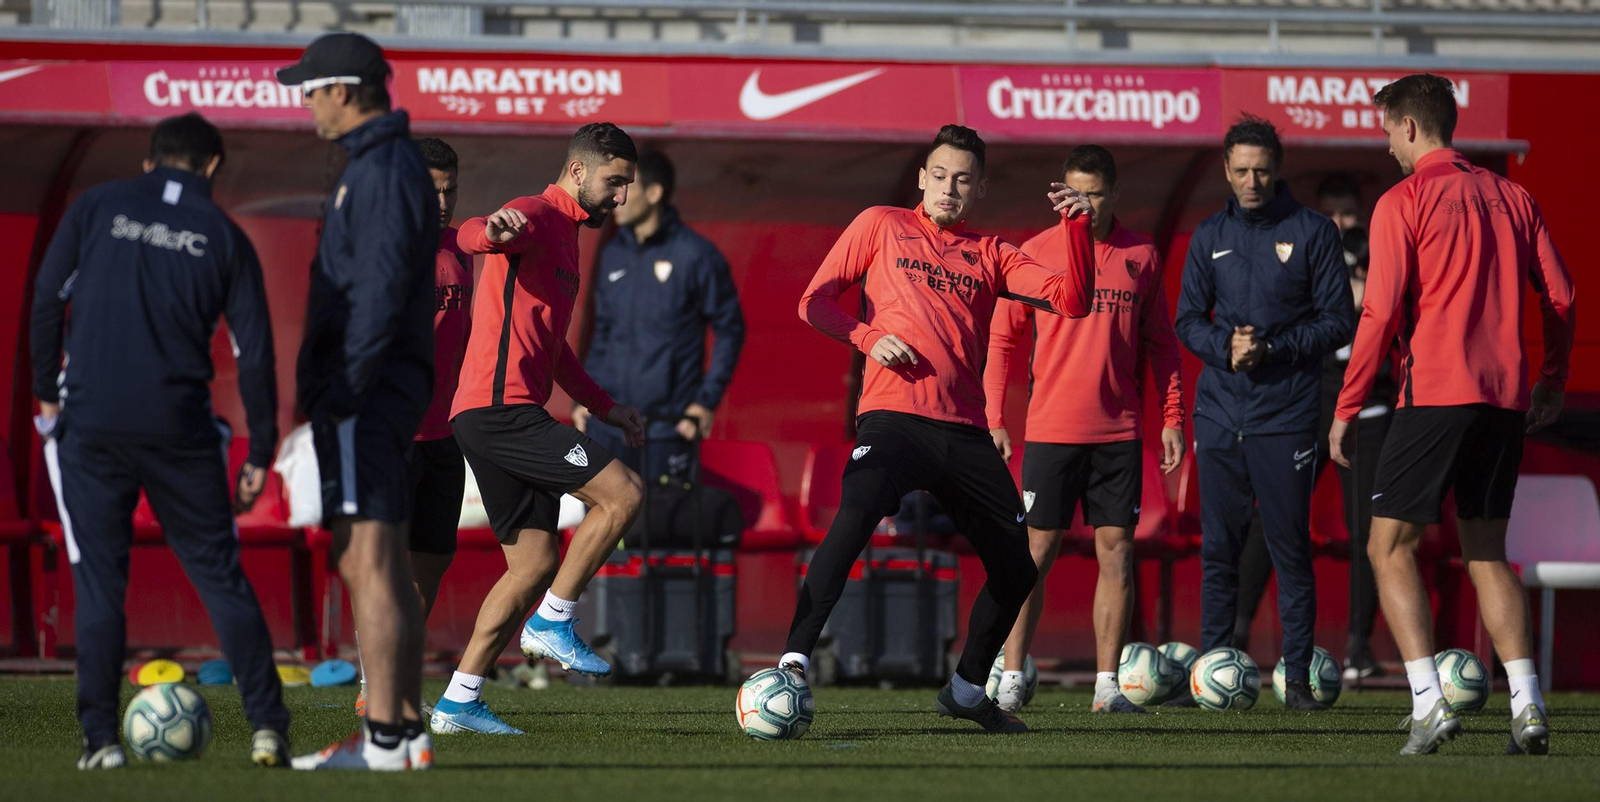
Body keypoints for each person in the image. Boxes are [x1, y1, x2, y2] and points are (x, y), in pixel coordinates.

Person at [781, 124, 1096, 734]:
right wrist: (871, 338)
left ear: (978, 189)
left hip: (962, 431)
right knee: (852, 520)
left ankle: (967, 687)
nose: (950, 188)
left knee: (1016, 566)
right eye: (941, 175)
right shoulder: (880, 223)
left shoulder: (992, 252)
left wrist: (1077, 230)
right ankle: (793, 661)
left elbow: (1072, 300)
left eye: (964, 180)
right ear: (921, 178)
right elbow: (814, 302)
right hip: (894, 419)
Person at [30, 112, 291, 769]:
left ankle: (101, 742)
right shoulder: (225, 236)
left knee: (99, 581)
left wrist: (46, 391)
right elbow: (254, 354)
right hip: (179, 428)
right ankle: (267, 728)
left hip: (90, 425)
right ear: (211, 169)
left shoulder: (95, 206)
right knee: (219, 576)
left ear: (149, 163)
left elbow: (43, 300)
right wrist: (261, 450)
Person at [1330, 73, 1574, 756]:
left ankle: (1428, 704)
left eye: (1387, 132)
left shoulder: (1402, 200)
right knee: (1489, 554)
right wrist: (1552, 379)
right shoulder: (1512, 196)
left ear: (1409, 126)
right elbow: (1562, 296)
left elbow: (1377, 314)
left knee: (1388, 546)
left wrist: (1347, 406)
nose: (1387, 148)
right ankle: (1527, 707)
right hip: (1504, 400)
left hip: (1434, 394)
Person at [429, 123, 647, 735]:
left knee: (532, 563)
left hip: (492, 415)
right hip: (501, 413)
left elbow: (555, 352)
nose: (622, 196)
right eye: (615, 182)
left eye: (627, 184)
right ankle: (554, 621)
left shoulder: (571, 240)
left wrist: (607, 408)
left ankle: (458, 701)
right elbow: (483, 230)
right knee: (624, 493)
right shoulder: (535, 213)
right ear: (578, 172)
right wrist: (489, 231)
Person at [278, 33, 440, 771]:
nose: (305, 103)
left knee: (365, 558)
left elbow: (375, 290)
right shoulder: (386, 163)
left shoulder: (378, 170)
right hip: (384, 388)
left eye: (310, 89)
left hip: (366, 391)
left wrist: (343, 387)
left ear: (344, 90)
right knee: (383, 560)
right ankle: (404, 732)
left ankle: (380, 740)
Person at [984, 144, 1185, 715]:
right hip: (1050, 430)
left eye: (1094, 194)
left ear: (1113, 194)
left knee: (1117, 555)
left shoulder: (1141, 254)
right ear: (1059, 193)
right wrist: (995, 417)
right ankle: (1014, 675)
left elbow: (1162, 346)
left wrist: (1173, 417)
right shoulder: (1036, 253)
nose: (1084, 204)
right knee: (1033, 555)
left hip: (1118, 432)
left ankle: (1106, 686)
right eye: (1074, 192)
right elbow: (1002, 340)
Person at [1174, 115, 1353, 712]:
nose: (1252, 180)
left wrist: (1272, 349)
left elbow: (1337, 320)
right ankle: (1212, 672)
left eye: (1263, 170)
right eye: (1242, 170)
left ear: (1278, 171)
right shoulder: (1207, 236)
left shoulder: (1313, 232)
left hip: (1286, 416)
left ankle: (1297, 680)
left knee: (1288, 549)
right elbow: (1188, 321)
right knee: (1219, 549)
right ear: (1226, 170)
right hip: (1221, 415)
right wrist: (1224, 349)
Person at [1230, 173, 1396, 683]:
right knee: (1272, 515)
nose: (1342, 226)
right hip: (1310, 402)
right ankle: (1234, 635)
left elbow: (1398, 317)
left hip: (1369, 407)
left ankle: (1358, 647)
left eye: (1349, 216)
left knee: (1370, 530)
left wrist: (1368, 282)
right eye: (1333, 217)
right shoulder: (1301, 256)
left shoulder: (1383, 257)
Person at [350, 136, 473, 717]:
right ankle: (376, 685)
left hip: (443, 434)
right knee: (385, 563)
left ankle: (389, 671)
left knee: (432, 559)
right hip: (393, 434)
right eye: (432, 191)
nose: (442, 202)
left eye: (450, 190)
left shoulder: (460, 250)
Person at [575, 149, 745, 478]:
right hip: (609, 424)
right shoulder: (613, 253)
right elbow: (604, 332)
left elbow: (730, 330)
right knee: (605, 522)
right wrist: (587, 394)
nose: (617, 198)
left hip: (668, 428)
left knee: (660, 527)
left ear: (654, 193)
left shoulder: (696, 255)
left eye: (628, 188)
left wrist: (704, 402)